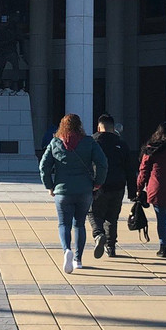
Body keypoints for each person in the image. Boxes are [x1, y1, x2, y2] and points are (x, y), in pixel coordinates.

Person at [39, 114, 107, 274]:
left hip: (62, 191)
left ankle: (66, 250)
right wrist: (98, 183)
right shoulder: (89, 142)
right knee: (79, 224)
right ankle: (78, 260)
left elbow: (44, 166)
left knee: (64, 224)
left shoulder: (55, 143)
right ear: (79, 125)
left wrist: (49, 186)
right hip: (84, 190)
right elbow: (102, 163)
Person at [88, 114, 137, 259]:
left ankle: (98, 234)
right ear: (113, 128)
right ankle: (111, 246)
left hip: (98, 185)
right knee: (112, 217)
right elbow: (130, 169)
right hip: (118, 185)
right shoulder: (122, 144)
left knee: (93, 213)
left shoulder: (92, 143)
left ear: (98, 127)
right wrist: (132, 192)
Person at [136, 122, 166, 258]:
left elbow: (144, 170)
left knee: (161, 216)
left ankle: (163, 246)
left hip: (157, 187)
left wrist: (139, 187)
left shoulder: (152, 149)